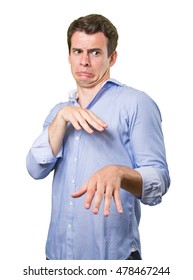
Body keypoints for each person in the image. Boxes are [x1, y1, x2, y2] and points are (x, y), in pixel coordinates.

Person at [26, 14, 170, 260]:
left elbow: (159, 180)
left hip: (113, 258)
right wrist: (61, 119)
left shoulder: (136, 103)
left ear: (111, 57)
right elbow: (35, 169)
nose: (84, 62)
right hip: (57, 257)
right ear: (69, 55)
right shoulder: (60, 111)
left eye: (94, 53)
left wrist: (120, 173)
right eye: (77, 51)